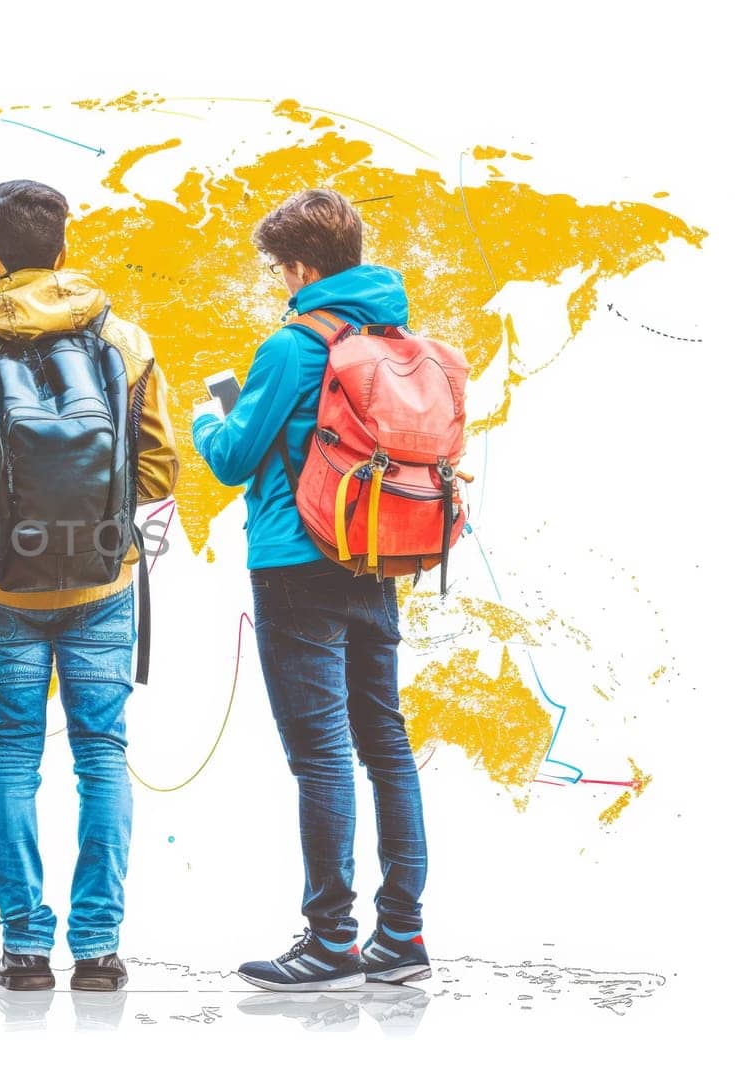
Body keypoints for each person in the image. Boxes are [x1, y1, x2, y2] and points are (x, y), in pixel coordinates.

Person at [0, 180, 179, 992]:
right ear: (64, 250)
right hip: (102, 579)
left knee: (13, 754)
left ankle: (24, 948)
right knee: (103, 755)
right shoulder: (122, 339)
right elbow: (158, 470)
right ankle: (98, 948)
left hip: (5, 583)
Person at [190, 188, 431, 990]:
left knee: (321, 755)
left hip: (297, 566)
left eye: (279, 270)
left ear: (299, 266)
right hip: (379, 556)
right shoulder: (391, 336)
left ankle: (330, 938)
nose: (279, 285)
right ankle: (401, 934)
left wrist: (204, 416)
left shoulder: (293, 347)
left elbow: (231, 457)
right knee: (386, 745)